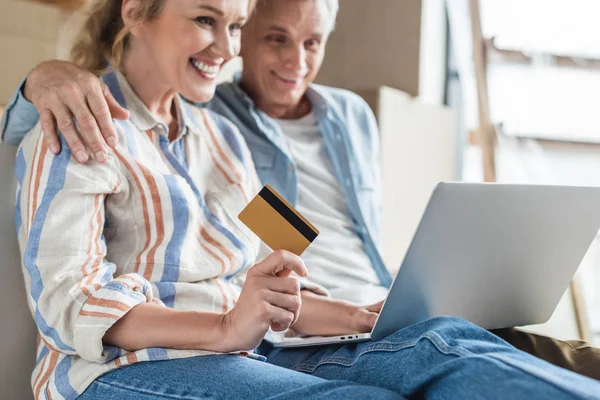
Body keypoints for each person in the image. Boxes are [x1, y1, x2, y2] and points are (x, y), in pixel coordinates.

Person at [5, 1, 600, 399]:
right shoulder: (74, 127)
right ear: (135, 10)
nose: (226, 47)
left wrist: (361, 316)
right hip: (121, 371)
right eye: (207, 19)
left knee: (444, 343)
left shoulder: (225, 137)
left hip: (253, 349)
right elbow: (70, 303)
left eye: (235, 25)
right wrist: (225, 327)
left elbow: (284, 253)